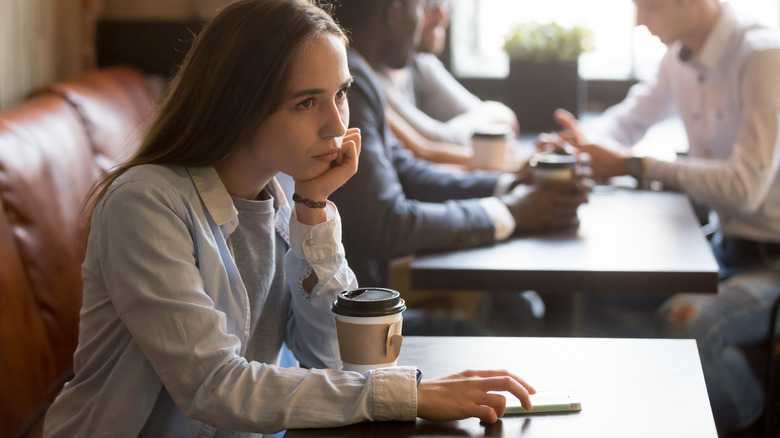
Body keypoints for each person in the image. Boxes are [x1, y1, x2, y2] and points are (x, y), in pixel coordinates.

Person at [42, 1, 539, 436]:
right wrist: (405, 395)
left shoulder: (283, 196)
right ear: (238, 106)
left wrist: (313, 209)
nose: (338, 125)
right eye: (307, 102)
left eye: (340, 94)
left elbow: (326, 354)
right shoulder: (146, 203)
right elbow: (214, 387)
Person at [548, 0, 780, 434]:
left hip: (772, 264)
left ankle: (754, 419)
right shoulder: (680, 57)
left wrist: (637, 165)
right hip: (724, 251)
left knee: (684, 324)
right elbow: (628, 122)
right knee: (600, 294)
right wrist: (580, 146)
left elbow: (747, 189)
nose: (638, 20)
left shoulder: (763, 55)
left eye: (648, 6)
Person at [330, 0, 588, 292]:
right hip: (360, 312)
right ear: (393, 12)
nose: (422, 22)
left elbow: (409, 173)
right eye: (420, 7)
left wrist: (511, 184)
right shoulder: (349, 80)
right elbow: (387, 224)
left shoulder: (361, 72)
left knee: (513, 304)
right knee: (510, 310)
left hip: (371, 301)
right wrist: (511, 211)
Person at [375, 0, 519, 166]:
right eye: (427, 4)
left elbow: (503, 119)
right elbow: (427, 148)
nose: (443, 15)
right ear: (394, 12)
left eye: (443, 3)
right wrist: (492, 153)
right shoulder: (364, 78)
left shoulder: (419, 61)